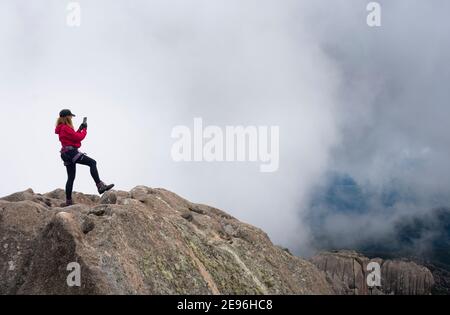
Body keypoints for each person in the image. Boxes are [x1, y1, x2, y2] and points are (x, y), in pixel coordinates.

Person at [55, 109, 114, 206]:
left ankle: (68, 201)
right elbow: (78, 138)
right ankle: (100, 186)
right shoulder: (66, 127)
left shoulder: (61, 128)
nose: (71, 118)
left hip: (65, 153)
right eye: (70, 116)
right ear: (67, 117)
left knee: (70, 177)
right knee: (92, 163)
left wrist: (79, 129)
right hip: (71, 152)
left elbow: (72, 138)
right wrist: (85, 130)